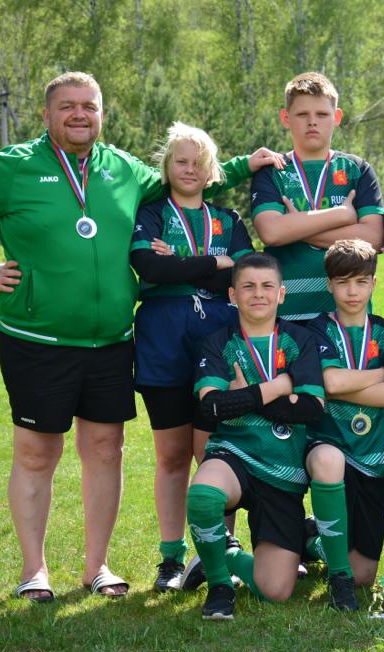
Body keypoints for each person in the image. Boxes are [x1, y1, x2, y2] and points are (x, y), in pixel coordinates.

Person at [0, 71, 281, 602]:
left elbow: (185, 178)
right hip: (37, 338)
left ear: (101, 114)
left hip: (112, 341)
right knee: (36, 453)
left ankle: (97, 566)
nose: (79, 114)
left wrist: (238, 166)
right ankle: (34, 571)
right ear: (47, 114)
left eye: (89, 106)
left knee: (105, 449)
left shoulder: (122, 168)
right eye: (67, 106)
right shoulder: (12, 166)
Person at [130, 122, 257, 592]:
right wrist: (213, 263)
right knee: (171, 455)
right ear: (167, 167)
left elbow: (243, 275)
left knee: (217, 451)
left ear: (211, 172)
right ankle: (171, 558)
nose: (189, 169)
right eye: (180, 161)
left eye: (198, 163)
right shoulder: (150, 213)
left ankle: (221, 549)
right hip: (162, 340)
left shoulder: (228, 220)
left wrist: (180, 264)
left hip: (218, 340)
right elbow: (149, 265)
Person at [186, 252, 326, 620]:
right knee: (203, 495)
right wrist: (277, 386)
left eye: (267, 286)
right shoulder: (217, 342)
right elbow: (211, 408)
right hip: (233, 453)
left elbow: (311, 408)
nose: (258, 294)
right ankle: (220, 585)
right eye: (248, 286)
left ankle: (232, 554)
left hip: (283, 470)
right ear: (233, 295)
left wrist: (244, 397)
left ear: (282, 293)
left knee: (274, 591)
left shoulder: (301, 340)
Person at [301, 239, 384, 610]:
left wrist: (344, 384)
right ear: (329, 285)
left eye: (361, 282)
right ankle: (338, 578)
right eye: (343, 282)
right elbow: (330, 382)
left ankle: (311, 540)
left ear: (373, 283)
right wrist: (381, 374)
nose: (352, 291)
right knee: (328, 460)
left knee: (364, 575)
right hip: (328, 445)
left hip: (374, 458)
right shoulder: (317, 330)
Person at [251, 71, 384, 322]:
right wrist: (341, 216)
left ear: (337, 117)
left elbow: (373, 239)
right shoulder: (272, 170)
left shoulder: (357, 169)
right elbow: (271, 232)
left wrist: (296, 226)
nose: (312, 122)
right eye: (302, 114)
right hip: (287, 315)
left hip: (346, 317)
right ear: (286, 118)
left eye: (322, 114)